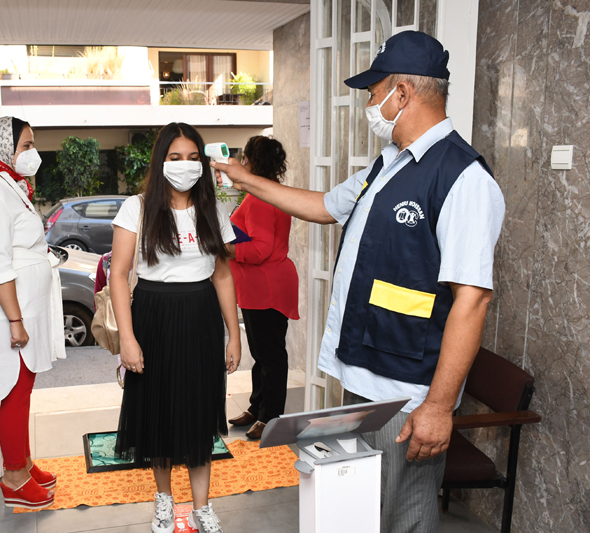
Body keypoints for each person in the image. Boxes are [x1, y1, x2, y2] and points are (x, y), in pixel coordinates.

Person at [211, 31, 505, 533]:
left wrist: (438, 407)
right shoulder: (387, 164)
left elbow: (472, 301)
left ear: (402, 93)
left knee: (404, 513)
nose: (370, 105)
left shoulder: (463, 179)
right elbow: (324, 206)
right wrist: (246, 179)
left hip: (407, 387)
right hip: (364, 373)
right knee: (364, 509)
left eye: (374, 93)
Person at [110, 122, 240, 533]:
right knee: (160, 413)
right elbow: (118, 275)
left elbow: (222, 275)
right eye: (175, 157)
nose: (185, 165)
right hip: (153, 315)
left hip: (201, 317)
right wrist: (127, 339)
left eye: (193, 157)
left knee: (200, 413)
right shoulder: (137, 207)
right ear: (160, 160)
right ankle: (164, 500)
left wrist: (234, 334)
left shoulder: (214, 210)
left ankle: (202, 507)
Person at [0, 116, 58, 510]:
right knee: (13, 393)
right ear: (5, 148)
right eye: (26, 145)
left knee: (22, 390)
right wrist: (16, 321)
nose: (32, 153)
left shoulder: (9, 184)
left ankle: (23, 462)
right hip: (6, 314)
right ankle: (14, 479)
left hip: (21, 309)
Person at [225, 136, 299, 441]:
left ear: (251, 162)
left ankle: (270, 417)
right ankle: (258, 408)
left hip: (265, 286)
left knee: (270, 356)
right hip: (265, 285)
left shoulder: (260, 199)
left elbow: (259, 250)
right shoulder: (271, 192)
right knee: (263, 353)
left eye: (244, 158)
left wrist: (225, 248)